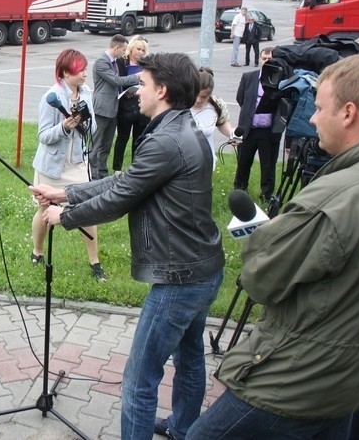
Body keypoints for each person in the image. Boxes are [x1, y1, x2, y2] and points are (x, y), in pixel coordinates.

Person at [187, 53, 359, 439]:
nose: (311, 118)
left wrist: (274, 234)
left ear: (348, 113)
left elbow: (261, 281)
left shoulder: (333, 198)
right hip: (353, 374)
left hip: (296, 380)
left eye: (320, 107)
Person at [31, 52, 225, 440]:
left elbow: (120, 197)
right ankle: (182, 428)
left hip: (179, 279)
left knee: (139, 378)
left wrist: (63, 216)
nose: (138, 90)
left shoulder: (167, 140)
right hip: (204, 268)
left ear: (163, 90)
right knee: (189, 360)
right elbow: (126, 180)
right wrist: (65, 193)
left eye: (144, 84)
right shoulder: (180, 129)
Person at [31, 49, 104, 281]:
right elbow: (43, 136)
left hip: (78, 164)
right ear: (65, 73)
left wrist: (83, 122)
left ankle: (95, 262)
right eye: (79, 70)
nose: (84, 74)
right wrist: (65, 127)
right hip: (53, 167)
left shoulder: (86, 94)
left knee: (88, 212)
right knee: (45, 211)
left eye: (84, 69)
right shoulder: (50, 97)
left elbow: (92, 130)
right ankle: (38, 252)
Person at [233, 46, 283, 204]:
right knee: (243, 161)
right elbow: (241, 98)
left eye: (270, 59)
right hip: (249, 129)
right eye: (264, 58)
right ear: (260, 60)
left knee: (268, 165)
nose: (267, 61)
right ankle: (239, 190)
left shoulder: (279, 80)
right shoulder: (249, 77)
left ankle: (267, 195)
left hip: (268, 131)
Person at [90, 34, 140, 179]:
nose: (124, 53)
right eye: (123, 50)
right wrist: (137, 76)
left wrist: (127, 93)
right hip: (101, 109)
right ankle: (91, 175)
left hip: (113, 108)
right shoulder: (102, 62)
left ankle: (102, 174)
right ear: (116, 47)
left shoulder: (116, 62)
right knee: (95, 145)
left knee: (106, 145)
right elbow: (116, 81)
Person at [112, 35, 150, 172]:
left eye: (143, 50)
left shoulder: (146, 65)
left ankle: (135, 169)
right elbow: (117, 81)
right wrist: (126, 91)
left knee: (138, 140)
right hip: (125, 108)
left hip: (141, 108)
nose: (140, 52)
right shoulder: (122, 62)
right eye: (138, 49)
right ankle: (117, 169)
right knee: (122, 138)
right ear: (131, 49)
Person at [191, 67, 235, 170]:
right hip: (182, 160)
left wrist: (231, 134)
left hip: (205, 160)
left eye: (203, 97)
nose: (198, 100)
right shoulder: (179, 103)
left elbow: (222, 123)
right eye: (196, 95)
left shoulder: (217, 104)